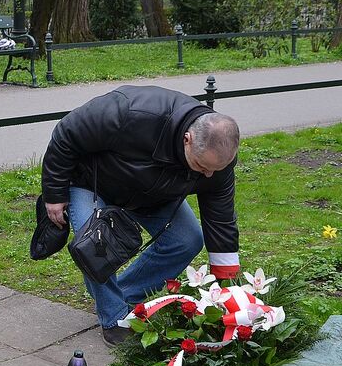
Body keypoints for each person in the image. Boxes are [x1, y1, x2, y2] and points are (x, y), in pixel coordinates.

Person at [41, 85, 241, 347]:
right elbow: (67, 134)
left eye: (215, 170)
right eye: (201, 166)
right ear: (187, 139)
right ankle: (114, 321)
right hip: (91, 182)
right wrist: (54, 193)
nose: (207, 176)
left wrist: (227, 284)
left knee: (187, 240)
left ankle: (119, 294)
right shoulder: (130, 112)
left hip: (154, 194)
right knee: (95, 246)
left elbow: (220, 213)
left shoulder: (217, 163)